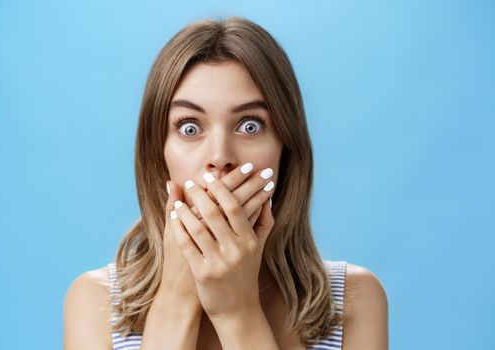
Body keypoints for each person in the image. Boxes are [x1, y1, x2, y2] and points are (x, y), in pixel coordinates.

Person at [63, 16, 388, 350]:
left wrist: (237, 311)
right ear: (158, 154)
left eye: (249, 125)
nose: (220, 157)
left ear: (286, 150)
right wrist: (177, 299)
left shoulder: (354, 300)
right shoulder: (95, 302)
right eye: (190, 127)